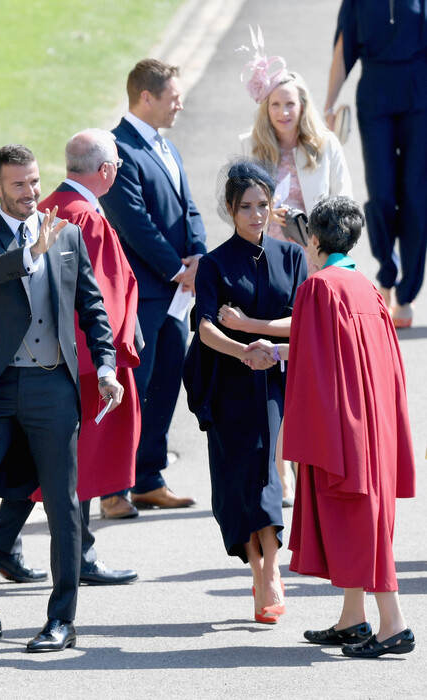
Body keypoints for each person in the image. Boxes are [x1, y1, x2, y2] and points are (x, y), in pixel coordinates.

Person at [0, 144, 123, 653]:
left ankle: (61, 619)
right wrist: (32, 251)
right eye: (18, 184)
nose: (30, 192)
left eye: (35, 182)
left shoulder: (69, 236)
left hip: (50, 386)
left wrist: (105, 365)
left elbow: (92, 307)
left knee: (63, 506)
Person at [252, 195, 416, 657]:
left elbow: (315, 363)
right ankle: (353, 620)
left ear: (318, 239)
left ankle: (394, 625)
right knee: (365, 522)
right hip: (377, 424)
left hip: (347, 428)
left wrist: (272, 351)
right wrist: (281, 349)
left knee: (358, 522)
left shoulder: (319, 288)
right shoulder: (366, 288)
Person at [0, 129, 142, 587]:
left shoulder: (53, 209)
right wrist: (108, 362)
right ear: (107, 170)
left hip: (48, 359)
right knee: (73, 463)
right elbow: (101, 298)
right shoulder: (82, 219)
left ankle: (4, 546)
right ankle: (81, 555)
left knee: (46, 462)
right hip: (78, 365)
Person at [185, 159, 307, 623]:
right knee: (234, 478)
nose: (256, 214)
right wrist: (242, 350)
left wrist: (260, 339)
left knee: (263, 467)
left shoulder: (292, 257)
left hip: (273, 379)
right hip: (225, 381)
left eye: (263, 204)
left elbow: (300, 322)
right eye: (246, 207)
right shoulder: (215, 263)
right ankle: (256, 567)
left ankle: (271, 570)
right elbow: (206, 328)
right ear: (231, 211)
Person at [238, 26, 352, 504]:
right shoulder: (253, 148)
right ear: (265, 108)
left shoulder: (324, 146)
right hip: (268, 265)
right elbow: (236, 206)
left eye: (292, 104)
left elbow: (344, 208)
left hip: (313, 267)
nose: (284, 112)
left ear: (303, 106)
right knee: (270, 370)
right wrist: (266, 218)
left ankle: (312, 465)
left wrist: (308, 228)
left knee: (311, 370)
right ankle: (277, 472)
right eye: (276, 104)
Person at [101, 58, 207, 509]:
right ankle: (112, 489)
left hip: (176, 295)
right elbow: (133, 224)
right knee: (133, 390)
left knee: (166, 385)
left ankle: (147, 478)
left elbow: (189, 207)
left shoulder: (165, 145)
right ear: (146, 97)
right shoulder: (117, 148)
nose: (179, 104)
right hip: (143, 295)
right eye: (173, 97)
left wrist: (200, 256)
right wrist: (177, 268)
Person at [324, 1, 427, 328]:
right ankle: (387, 269)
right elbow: (343, 50)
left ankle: (406, 294)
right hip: (375, 96)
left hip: (421, 95)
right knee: (381, 195)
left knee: (415, 196)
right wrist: (328, 106)